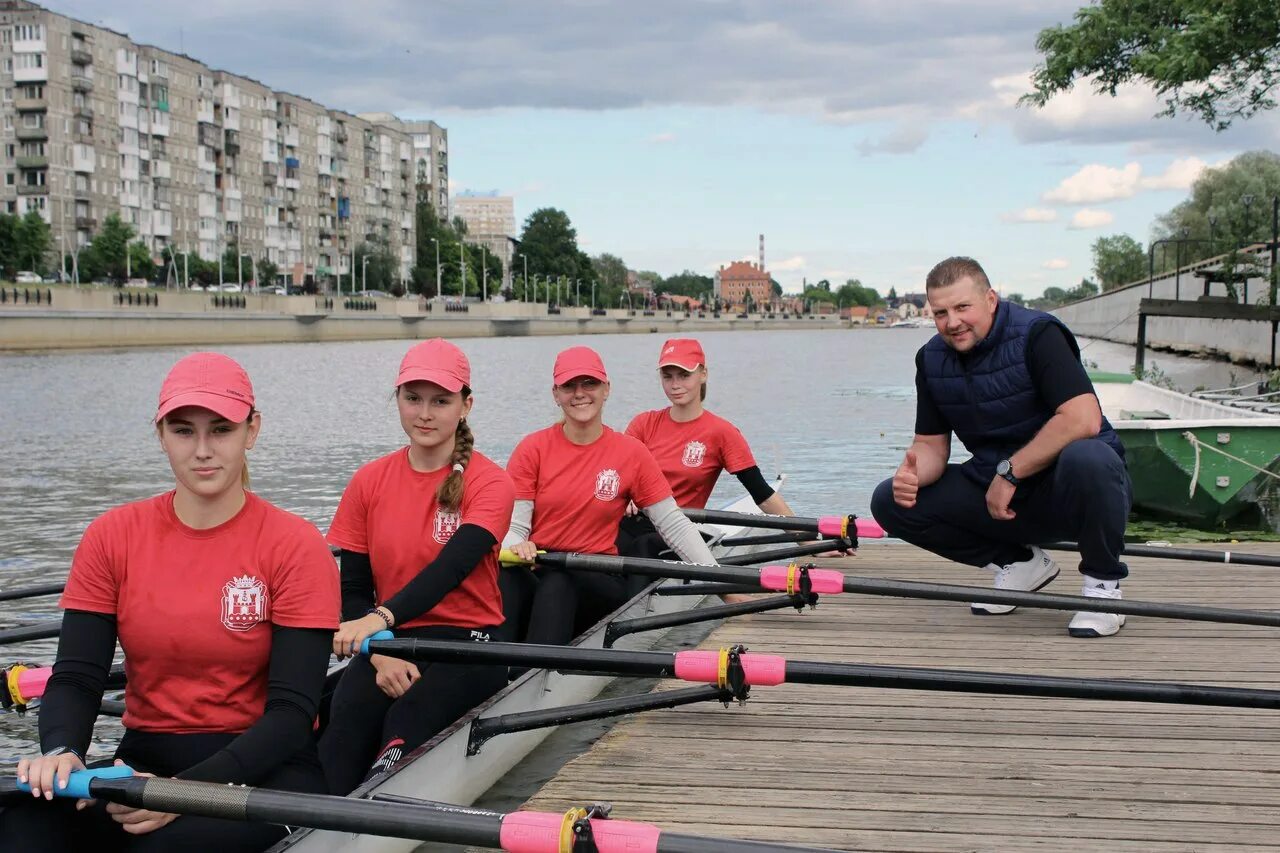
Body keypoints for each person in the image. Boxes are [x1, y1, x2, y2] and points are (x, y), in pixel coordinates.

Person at [3, 352, 340, 851]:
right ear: (160, 434)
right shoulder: (111, 536)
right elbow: (77, 676)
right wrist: (61, 751)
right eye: (184, 431)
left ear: (252, 431)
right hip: (142, 762)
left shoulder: (294, 544)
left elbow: (291, 716)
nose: (203, 450)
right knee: (20, 829)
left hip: (265, 772)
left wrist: (179, 796)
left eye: (221, 429)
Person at [870, 257, 1131, 637]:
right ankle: (1021, 563)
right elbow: (930, 444)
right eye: (940, 312)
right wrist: (912, 474)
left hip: (1075, 490)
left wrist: (1011, 471)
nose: (952, 321)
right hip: (1000, 495)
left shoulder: (1038, 334)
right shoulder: (931, 359)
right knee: (889, 502)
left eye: (962, 307)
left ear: (990, 299)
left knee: (1088, 455)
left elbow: (1082, 419)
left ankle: (1102, 590)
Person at [318, 339, 514, 795]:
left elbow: (450, 570)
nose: (424, 413)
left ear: (465, 406)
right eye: (413, 399)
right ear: (399, 401)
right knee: (344, 724)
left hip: (470, 645)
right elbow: (353, 588)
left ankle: (375, 802)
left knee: (407, 718)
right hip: (390, 642)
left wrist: (378, 621)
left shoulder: (490, 483)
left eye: (440, 401)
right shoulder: (369, 481)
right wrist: (380, 649)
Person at [503, 345, 721, 646]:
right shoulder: (532, 449)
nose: (579, 393)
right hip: (542, 567)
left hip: (598, 579)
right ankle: (492, 668)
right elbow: (513, 529)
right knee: (506, 577)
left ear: (606, 389)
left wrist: (724, 585)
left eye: (589, 383)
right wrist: (517, 546)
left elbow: (673, 524)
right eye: (569, 386)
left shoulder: (630, 453)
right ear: (556, 394)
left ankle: (529, 673)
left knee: (560, 580)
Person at [618, 338, 795, 560]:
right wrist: (627, 493)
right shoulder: (643, 424)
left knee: (642, 546)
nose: (675, 384)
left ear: (703, 374)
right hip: (630, 523)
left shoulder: (722, 432)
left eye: (684, 375)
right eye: (667, 376)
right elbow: (616, 477)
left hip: (678, 531)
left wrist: (807, 538)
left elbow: (763, 495)